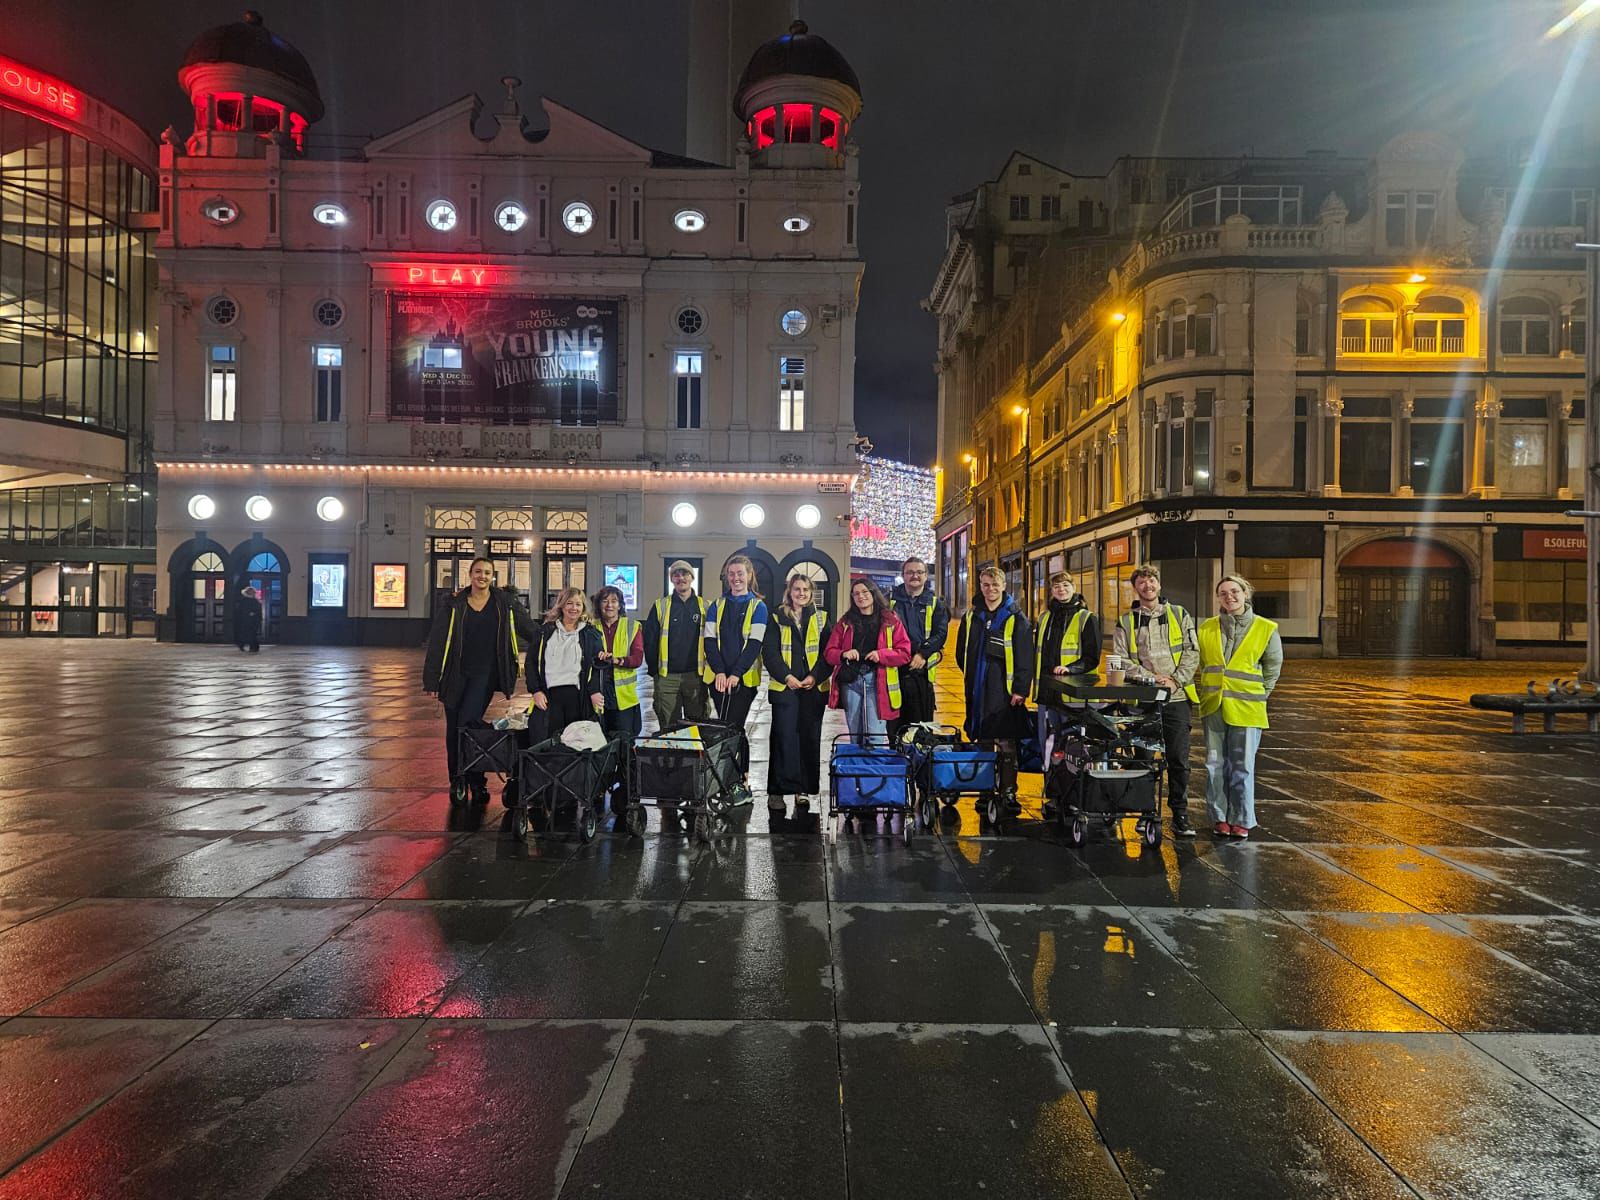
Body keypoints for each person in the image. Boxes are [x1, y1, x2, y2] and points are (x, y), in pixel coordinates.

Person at [423, 557, 538, 805]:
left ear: (493, 576)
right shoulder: (454, 604)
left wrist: (558, 633)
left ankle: (474, 779)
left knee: (467, 723)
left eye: (487, 572)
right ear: (470, 574)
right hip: (455, 674)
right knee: (454, 728)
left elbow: (530, 629)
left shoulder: (504, 603)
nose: (482, 576)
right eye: (478, 572)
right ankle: (458, 778)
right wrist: (432, 680)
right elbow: (437, 642)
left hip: (484, 675)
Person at [1111, 564, 1200, 838]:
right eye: (1141, 583)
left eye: (1151, 582)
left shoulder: (1179, 614)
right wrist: (1152, 679)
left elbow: (1191, 651)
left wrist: (1175, 680)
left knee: (1178, 759)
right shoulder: (1126, 621)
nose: (1147, 586)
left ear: (1159, 585)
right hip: (1143, 699)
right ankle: (1146, 811)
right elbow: (1121, 659)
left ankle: (1180, 814)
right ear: (1135, 588)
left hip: (1176, 697)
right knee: (1143, 759)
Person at [1197, 573, 1282, 840]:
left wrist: (1260, 694)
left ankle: (1242, 818)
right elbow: (1200, 663)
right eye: (1223, 593)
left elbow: (1273, 667)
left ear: (1246, 593)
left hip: (1248, 707)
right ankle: (1219, 817)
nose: (1229, 597)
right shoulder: (1207, 627)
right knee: (1215, 764)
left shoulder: (1265, 628)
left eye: (1234, 591)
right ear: (1218, 598)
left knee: (1242, 765)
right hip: (1214, 705)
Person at [955, 566, 1035, 812]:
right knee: (984, 739)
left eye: (995, 585)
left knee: (1007, 741)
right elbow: (961, 651)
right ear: (981, 586)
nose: (990, 589)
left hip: (1004, 689)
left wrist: (1020, 689)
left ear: (1003, 586)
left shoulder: (1015, 617)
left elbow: (1025, 657)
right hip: (977, 688)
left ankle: (1009, 791)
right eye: (986, 585)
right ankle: (985, 789)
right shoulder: (972, 616)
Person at [762, 572, 833, 816]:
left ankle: (803, 790)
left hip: (813, 689)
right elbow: (769, 653)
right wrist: (787, 677)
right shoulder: (776, 616)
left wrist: (815, 677)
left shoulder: (823, 618)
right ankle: (777, 792)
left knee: (809, 739)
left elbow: (828, 654)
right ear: (789, 592)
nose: (801, 594)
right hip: (786, 688)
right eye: (796, 589)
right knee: (783, 739)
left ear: (812, 593)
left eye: (805, 590)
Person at [1032, 571, 1099, 815]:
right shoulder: (1045, 617)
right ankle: (1052, 793)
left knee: (1073, 748)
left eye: (1065, 585)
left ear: (1073, 587)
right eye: (1057, 586)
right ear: (1051, 591)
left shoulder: (1086, 618)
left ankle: (1075, 795)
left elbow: (1091, 658)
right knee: (1048, 747)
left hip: (1073, 697)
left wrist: (1070, 669)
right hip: (1047, 695)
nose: (1061, 589)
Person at [702, 555, 768, 780]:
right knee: (724, 725)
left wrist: (736, 674)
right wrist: (720, 672)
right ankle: (727, 774)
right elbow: (709, 641)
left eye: (740, 573)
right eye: (731, 574)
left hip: (743, 679)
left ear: (750, 576)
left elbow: (754, 645)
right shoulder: (716, 605)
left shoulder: (758, 607)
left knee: (735, 726)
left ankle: (740, 774)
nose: (736, 578)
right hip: (718, 678)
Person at [825, 576, 911, 742]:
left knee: (875, 737)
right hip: (851, 682)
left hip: (876, 681)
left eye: (865, 592)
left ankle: (873, 768)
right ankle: (856, 767)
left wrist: (881, 655)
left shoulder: (890, 620)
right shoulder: (845, 622)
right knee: (855, 737)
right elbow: (830, 652)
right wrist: (843, 654)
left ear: (873, 593)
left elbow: (904, 653)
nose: (860, 596)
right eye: (856, 593)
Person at [526, 586, 605, 744]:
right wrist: (535, 691)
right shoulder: (544, 632)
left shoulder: (591, 634)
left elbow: (597, 667)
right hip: (548, 697)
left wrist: (595, 691)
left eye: (578, 604)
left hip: (577, 697)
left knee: (575, 743)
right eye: (569, 603)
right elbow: (531, 663)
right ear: (561, 605)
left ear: (583, 608)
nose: (573, 608)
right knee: (547, 742)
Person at [887, 556, 950, 747]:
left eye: (919, 572)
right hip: (893, 674)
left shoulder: (935, 603)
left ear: (926, 576)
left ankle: (920, 773)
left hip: (921, 675)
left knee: (920, 730)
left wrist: (923, 653)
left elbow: (941, 633)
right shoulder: (889, 601)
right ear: (903, 575)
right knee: (895, 730)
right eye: (910, 572)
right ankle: (897, 770)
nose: (915, 576)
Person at [643, 560, 710, 731]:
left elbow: (712, 641)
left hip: (695, 675)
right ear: (671, 578)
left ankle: (695, 758)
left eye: (685, 573)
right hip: (667, 677)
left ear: (692, 577)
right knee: (668, 726)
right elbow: (650, 640)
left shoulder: (705, 606)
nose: (681, 578)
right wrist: (655, 672)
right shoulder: (661, 605)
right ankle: (670, 758)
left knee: (697, 725)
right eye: (676, 574)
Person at [592, 585, 645, 740]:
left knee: (624, 739)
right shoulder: (591, 627)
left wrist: (617, 660)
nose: (609, 605)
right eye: (605, 601)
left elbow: (637, 658)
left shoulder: (632, 626)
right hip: (598, 690)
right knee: (599, 738)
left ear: (620, 605)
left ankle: (624, 765)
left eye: (614, 601)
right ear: (599, 604)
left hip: (623, 695)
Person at [234, 584, 263, 653]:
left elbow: (257, 612)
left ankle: (249, 646)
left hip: (249, 620)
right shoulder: (247, 601)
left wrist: (254, 614)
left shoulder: (245, 601)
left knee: (249, 634)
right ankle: (252, 647)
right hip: (248, 620)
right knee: (250, 634)